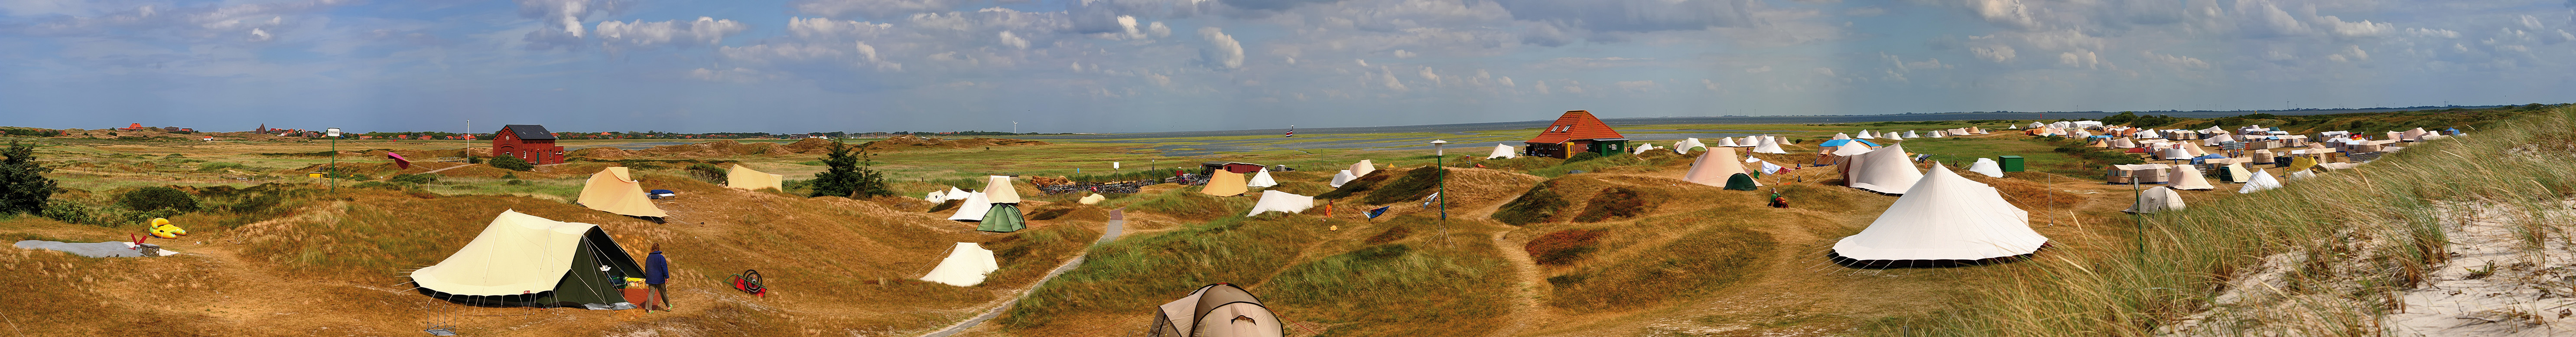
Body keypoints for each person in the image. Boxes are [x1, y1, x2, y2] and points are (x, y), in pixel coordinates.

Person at [646, 244, 671, 311]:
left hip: (651, 279)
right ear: (658, 249)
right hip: (660, 279)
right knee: (664, 293)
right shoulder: (661, 257)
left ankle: (649, 310)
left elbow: (647, 268)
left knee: (651, 294)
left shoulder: (649, 257)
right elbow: (664, 268)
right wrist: (667, 277)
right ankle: (668, 307)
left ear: (652, 249)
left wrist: (648, 276)